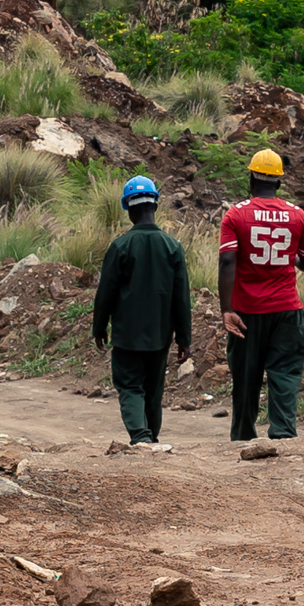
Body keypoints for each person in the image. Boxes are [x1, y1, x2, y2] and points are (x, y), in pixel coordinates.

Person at [215, 147, 304, 443]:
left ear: (251, 178)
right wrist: (292, 260)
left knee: (246, 377)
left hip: (246, 312)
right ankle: (283, 434)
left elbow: (227, 261)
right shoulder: (298, 215)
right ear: (279, 182)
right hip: (287, 311)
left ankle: (243, 436)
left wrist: (226, 309)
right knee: (284, 374)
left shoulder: (235, 215)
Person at [89, 174, 192, 449]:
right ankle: (152, 436)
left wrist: (99, 328)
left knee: (130, 385)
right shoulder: (173, 247)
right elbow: (182, 298)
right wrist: (184, 338)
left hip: (126, 335)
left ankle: (140, 435)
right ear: (155, 206)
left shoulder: (120, 247)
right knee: (153, 389)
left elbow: (106, 293)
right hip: (160, 334)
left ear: (129, 209)